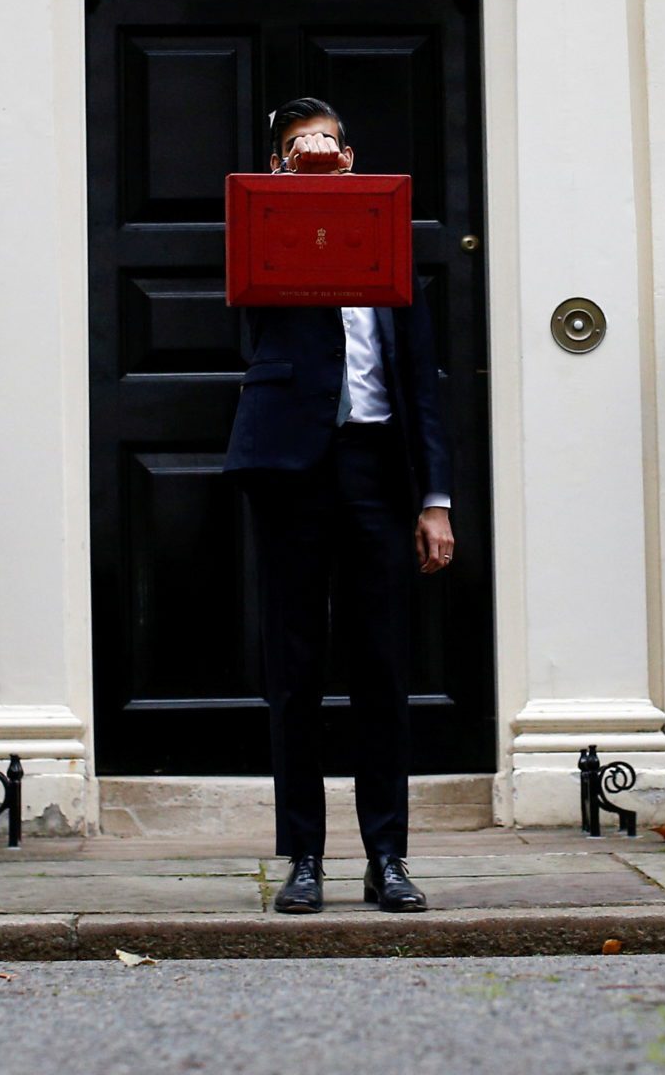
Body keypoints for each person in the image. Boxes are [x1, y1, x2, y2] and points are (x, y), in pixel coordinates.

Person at [224, 97, 455, 915]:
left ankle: (386, 856)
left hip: (375, 470)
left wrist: (435, 499)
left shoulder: (395, 252)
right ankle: (305, 859)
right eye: (295, 147)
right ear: (279, 164)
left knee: (382, 670)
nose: (314, 152)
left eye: (324, 144)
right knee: (294, 672)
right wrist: (289, 192)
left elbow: (421, 386)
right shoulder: (265, 234)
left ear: (352, 157)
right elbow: (252, 309)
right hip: (292, 469)